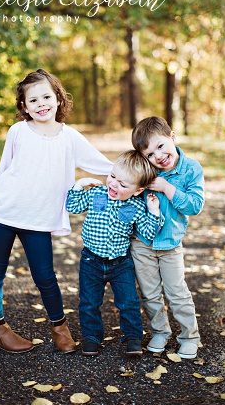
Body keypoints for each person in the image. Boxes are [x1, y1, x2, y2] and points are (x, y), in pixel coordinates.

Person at [0, 68, 113, 354]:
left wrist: (141, 174)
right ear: (24, 106)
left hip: (38, 219)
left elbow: (104, 165)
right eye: (33, 100)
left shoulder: (70, 137)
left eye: (46, 96)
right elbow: (5, 169)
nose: (41, 104)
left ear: (58, 98)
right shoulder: (17, 131)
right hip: (3, 214)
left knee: (45, 277)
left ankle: (60, 328)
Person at [65, 151, 163, 357]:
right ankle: (91, 338)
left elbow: (147, 232)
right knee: (89, 302)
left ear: (138, 191)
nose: (114, 184)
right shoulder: (96, 194)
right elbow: (73, 206)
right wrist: (78, 186)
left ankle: (133, 338)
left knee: (128, 302)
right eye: (113, 177)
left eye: (123, 184)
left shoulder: (137, 205)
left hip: (120, 263)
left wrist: (154, 211)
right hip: (91, 260)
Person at [131, 116, 205, 359]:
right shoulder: (146, 171)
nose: (158, 156)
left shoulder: (191, 169)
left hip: (171, 244)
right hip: (142, 243)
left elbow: (194, 206)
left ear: (172, 137)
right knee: (150, 293)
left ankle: (189, 336)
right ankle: (160, 332)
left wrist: (166, 188)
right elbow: (126, 186)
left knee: (177, 292)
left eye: (161, 146)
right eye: (150, 154)